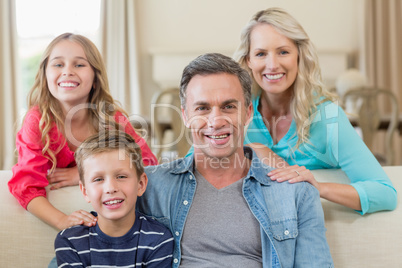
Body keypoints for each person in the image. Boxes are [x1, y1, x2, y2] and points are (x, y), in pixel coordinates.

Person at [137, 53, 333, 267]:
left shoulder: (296, 193)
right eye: (202, 108)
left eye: (228, 107)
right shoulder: (149, 186)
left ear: (248, 112)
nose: (216, 121)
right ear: (185, 116)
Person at [233, 7, 397, 215]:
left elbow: (385, 193)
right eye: (261, 54)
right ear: (249, 60)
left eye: (283, 52)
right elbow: (195, 164)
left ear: (299, 56)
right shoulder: (237, 113)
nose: (272, 65)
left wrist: (318, 186)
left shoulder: (328, 118)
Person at [8, 33, 157, 231]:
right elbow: (26, 186)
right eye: (58, 64)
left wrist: (81, 174)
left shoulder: (112, 119)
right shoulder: (37, 121)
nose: (68, 71)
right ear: (45, 76)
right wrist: (62, 221)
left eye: (79, 65)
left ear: (95, 78)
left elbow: (148, 164)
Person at [54, 130, 173, 267]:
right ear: (85, 191)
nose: (110, 188)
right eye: (98, 179)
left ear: (141, 184)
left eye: (121, 176)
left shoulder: (158, 239)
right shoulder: (69, 241)